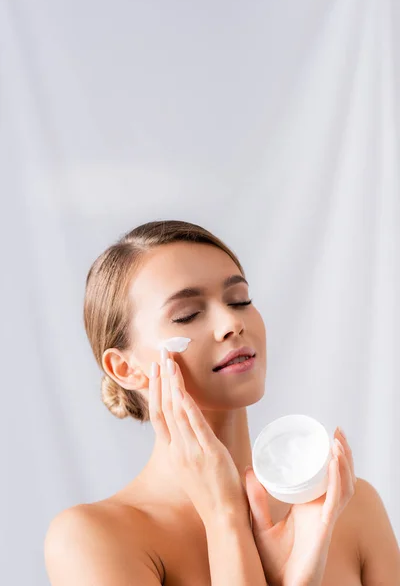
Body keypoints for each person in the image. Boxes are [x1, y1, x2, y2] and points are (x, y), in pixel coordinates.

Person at [44, 219, 400, 585]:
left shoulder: (348, 507)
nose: (231, 321)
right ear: (125, 367)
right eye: (187, 315)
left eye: (240, 300)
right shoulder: (93, 539)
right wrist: (224, 517)